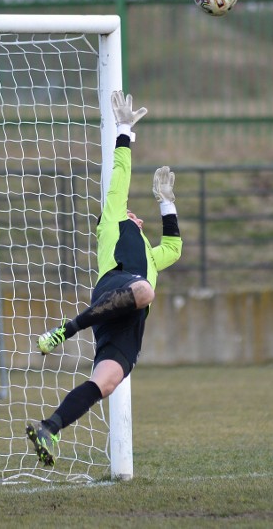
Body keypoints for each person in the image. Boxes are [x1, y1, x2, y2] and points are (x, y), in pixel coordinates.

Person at [26, 90, 183, 467]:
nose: (132, 212)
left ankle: (50, 427)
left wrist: (167, 202)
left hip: (127, 323)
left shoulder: (149, 253)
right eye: (129, 210)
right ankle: (65, 331)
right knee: (144, 290)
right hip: (115, 288)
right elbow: (120, 178)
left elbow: (174, 249)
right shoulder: (113, 222)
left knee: (107, 382)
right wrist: (125, 131)